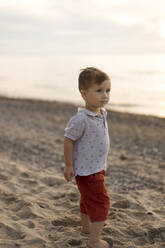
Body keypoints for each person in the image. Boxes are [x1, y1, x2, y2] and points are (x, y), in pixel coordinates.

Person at [64, 67, 111, 248]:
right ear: (84, 94)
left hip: (97, 166)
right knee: (101, 201)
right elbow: (68, 140)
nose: (105, 95)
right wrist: (69, 165)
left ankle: (86, 228)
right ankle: (94, 240)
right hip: (87, 170)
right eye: (99, 91)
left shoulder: (101, 112)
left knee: (86, 198)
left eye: (107, 90)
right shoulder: (80, 119)